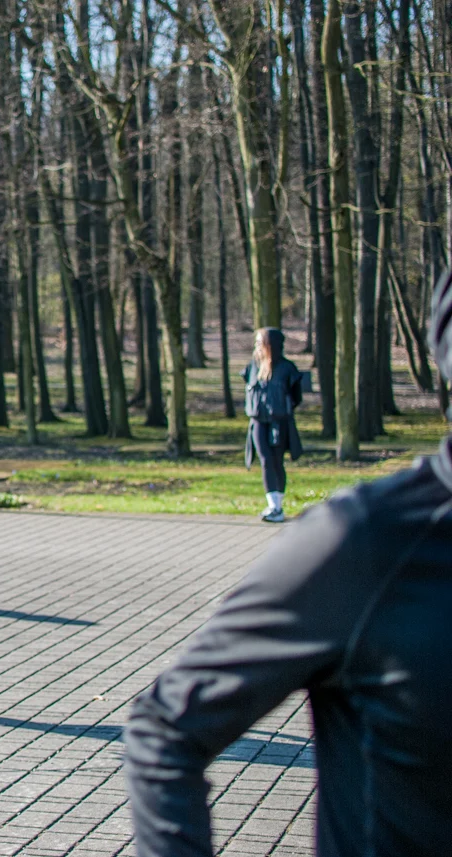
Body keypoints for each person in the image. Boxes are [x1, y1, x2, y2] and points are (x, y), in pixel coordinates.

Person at [123, 272, 452, 856]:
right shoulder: (367, 541)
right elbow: (165, 727)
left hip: (273, 428)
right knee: (273, 472)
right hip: (268, 432)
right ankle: (273, 502)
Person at [242, 328, 303, 523]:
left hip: (279, 422)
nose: (257, 346)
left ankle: (278, 506)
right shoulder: (253, 366)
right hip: (258, 421)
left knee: (277, 461)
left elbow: (296, 396)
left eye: (260, 341)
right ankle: (272, 505)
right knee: (265, 460)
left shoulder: (287, 368)